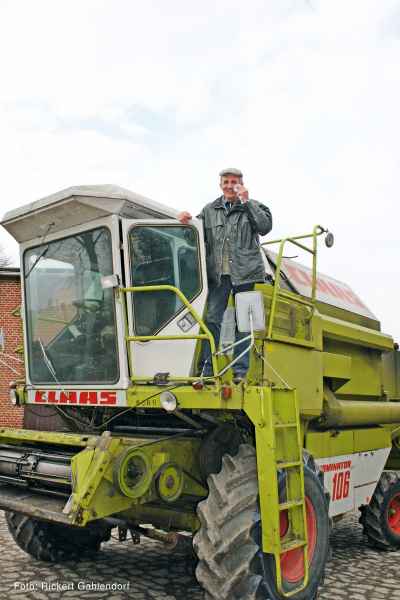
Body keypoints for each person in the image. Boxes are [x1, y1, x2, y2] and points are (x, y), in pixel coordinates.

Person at [178, 168, 272, 382]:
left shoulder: (254, 206)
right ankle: (207, 369)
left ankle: (240, 372)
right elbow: (193, 236)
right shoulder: (209, 210)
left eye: (234, 182)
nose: (230, 186)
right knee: (211, 318)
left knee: (244, 322)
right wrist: (183, 220)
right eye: (226, 182)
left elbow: (264, 227)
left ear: (241, 184)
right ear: (220, 184)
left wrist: (247, 201)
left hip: (246, 273)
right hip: (219, 275)